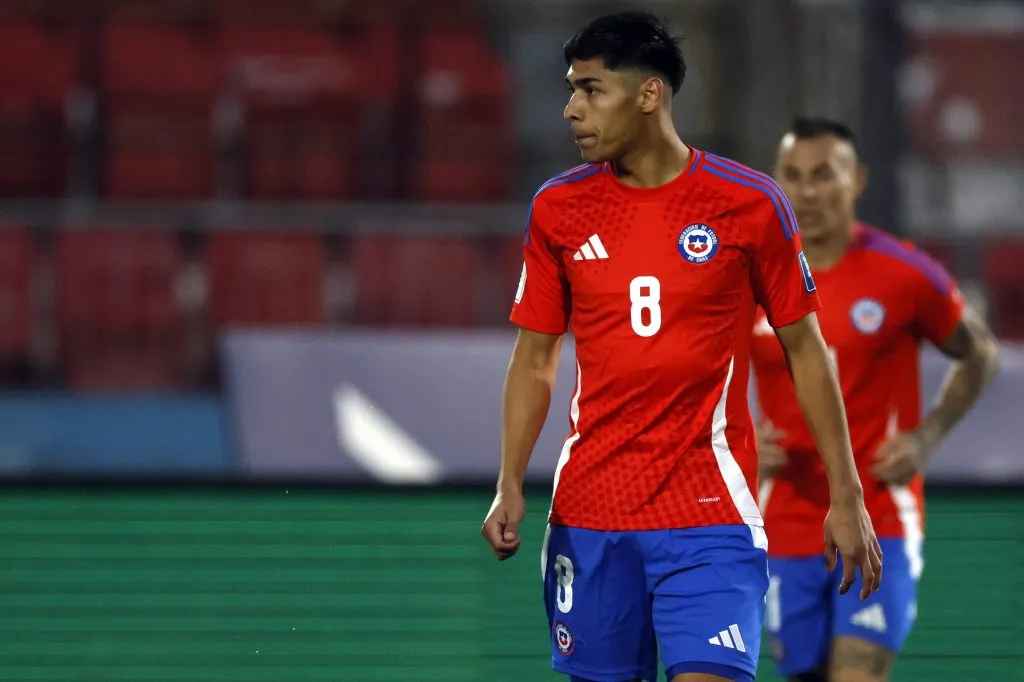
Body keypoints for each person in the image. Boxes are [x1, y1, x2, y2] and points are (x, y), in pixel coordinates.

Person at [480, 13, 882, 682]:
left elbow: (806, 349)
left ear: (649, 95)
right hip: (590, 516)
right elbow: (535, 358)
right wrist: (508, 483)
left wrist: (847, 494)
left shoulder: (750, 203)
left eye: (591, 89)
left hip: (709, 516)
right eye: (572, 90)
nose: (571, 108)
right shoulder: (558, 209)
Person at [752, 117, 1000, 682]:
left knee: (859, 673)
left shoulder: (904, 273)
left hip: (879, 515)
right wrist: (740, 437)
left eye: (823, 175)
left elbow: (979, 351)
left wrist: (927, 435)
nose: (807, 192)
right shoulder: (751, 278)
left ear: (858, 179)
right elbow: (697, 372)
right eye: (792, 176)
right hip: (784, 519)